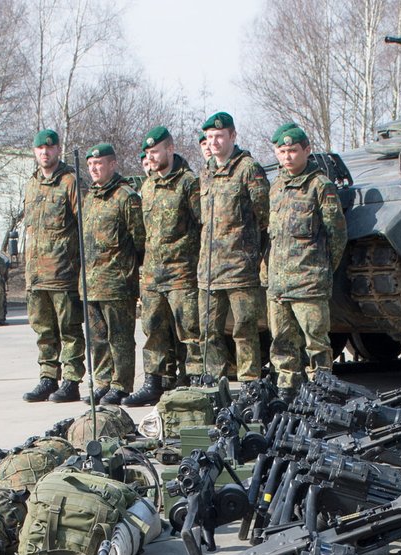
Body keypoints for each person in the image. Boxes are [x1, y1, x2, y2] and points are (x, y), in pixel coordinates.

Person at [264, 122, 346, 397]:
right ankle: (287, 389)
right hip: (278, 284)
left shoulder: (320, 186)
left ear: (307, 151)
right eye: (282, 151)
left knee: (316, 343)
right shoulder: (275, 188)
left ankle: (321, 390)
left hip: (309, 281)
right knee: (282, 342)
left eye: (293, 150)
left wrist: (321, 269)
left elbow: (336, 233)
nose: (287, 156)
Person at [196, 111, 269, 387]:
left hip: (239, 268)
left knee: (244, 330)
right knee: (208, 332)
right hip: (209, 272)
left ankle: (250, 382)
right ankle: (215, 383)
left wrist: (252, 254)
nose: (214, 142)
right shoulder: (206, 172)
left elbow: (264, 216)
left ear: (232, 136)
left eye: (219, 136)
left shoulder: (248, 168)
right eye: (209, 137)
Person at [134, 125, 198, 405]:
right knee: (153, 331)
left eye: (156, 151)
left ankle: (194, 380)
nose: (151, 156)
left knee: (190, 331)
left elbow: (201, 224)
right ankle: (154, 381)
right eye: (148, 152)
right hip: (152, 275)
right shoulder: (147, 186)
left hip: (182, 272)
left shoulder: (188, 183)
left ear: (170, 149)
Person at [21, 128, 84, 403]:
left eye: (49, 148)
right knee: (43, 332)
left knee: (69, 330)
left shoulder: (70, 182)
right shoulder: (32, 184)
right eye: (39, 149)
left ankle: (71, 381)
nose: (44, 153)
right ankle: (48, 377)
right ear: (35, 153)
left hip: (63, 273)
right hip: (36, 276)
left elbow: (84, 226)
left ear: (58, 150)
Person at [81, 142, 144, 405]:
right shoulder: (89, 198)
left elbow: (140, 240)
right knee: (97, 339)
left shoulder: (125, 197)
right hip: (91, 283)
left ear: (112, 164)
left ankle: (121, 384)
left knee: (120, 339)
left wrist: (129, 272)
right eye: (91, 165)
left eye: (100, 163)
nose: (95, 169)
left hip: (117, 283)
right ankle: (104, 381)